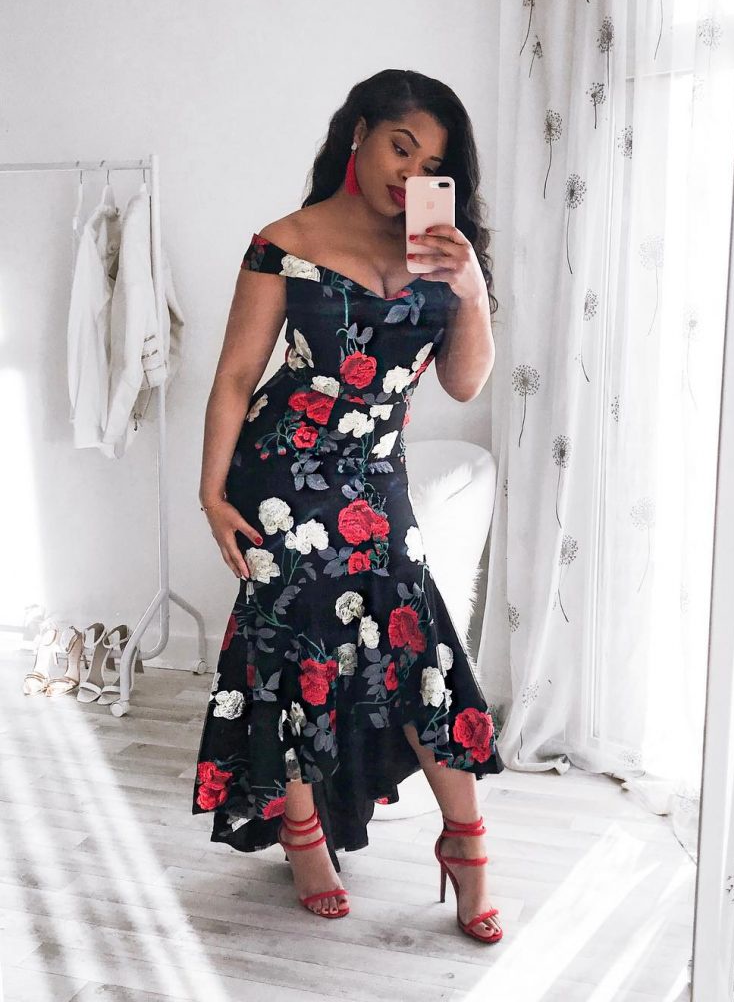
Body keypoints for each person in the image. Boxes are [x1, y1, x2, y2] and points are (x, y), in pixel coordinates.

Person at [193, 68, 504, 943]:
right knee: (290, 652)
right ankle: (302, 836)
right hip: (281, 477)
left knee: (417, 648)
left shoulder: (440, 249)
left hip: (374, 479)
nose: (411, 174)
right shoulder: (282, 244)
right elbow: (235, 377)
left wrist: (472, 289)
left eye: (432, 164)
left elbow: (463, 380)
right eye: (400, 148)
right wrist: (210, 492)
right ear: (359, 133)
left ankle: (466, 841)